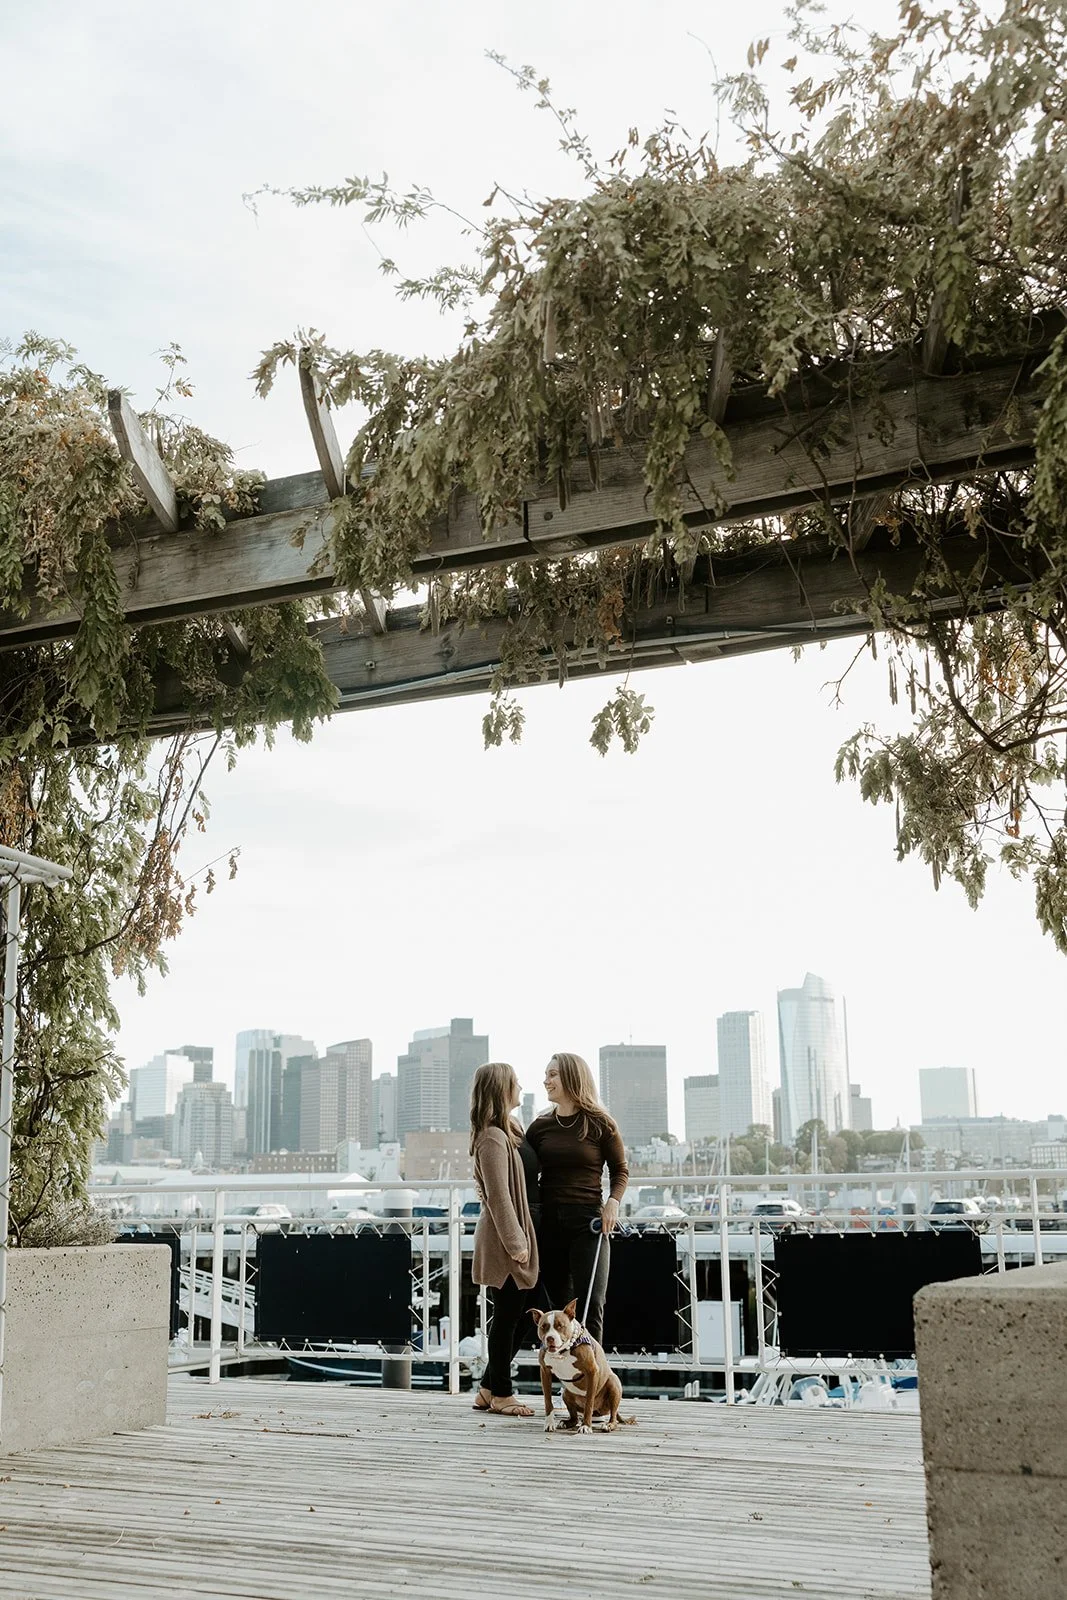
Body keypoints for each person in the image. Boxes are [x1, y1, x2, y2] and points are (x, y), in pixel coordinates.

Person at [526, 1052, 628, 1346]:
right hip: (549, 1224)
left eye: (552, 1075)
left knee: (591, 1305)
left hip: (589, 1224)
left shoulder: (601, 1123)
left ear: (572, 1077)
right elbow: (523, 1170)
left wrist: (613, 1202)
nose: (546, 1081)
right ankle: (566, 1373)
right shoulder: (540, 1126)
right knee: (559, 1311)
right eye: (546, 1075)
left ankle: (592, 1373)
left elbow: (620, 1170)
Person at [469, 1061, 540, 1416]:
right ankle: (501, 1394)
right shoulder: (492, 1137)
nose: (521, 1087)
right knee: (509, 1316)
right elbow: (498, 1196)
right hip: (504, 1240)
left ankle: (487, 1388)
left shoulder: (511, 1129)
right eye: (515, 1082)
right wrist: (516, 1243)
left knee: (528, 1311)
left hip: (522, 1233)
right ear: (501, 1089)